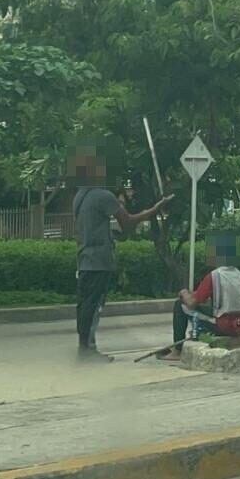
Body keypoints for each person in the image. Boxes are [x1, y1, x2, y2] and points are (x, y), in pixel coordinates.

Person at [69, 142, 172, 362]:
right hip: (99, 260)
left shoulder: (79, 197)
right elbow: (128, 223)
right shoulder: (103, 196)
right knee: (94, 306)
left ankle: (83, 348)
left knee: (84, 305)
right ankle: (88, 351)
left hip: (84, 258)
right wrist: (155, 209)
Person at [159, 234, 240, 361]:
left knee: (180, 305)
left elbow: (191, 303)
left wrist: (184, 292)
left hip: (225, 325)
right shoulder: (238, 273)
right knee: (206, 309)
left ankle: (177, 350)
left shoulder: (215, 275)